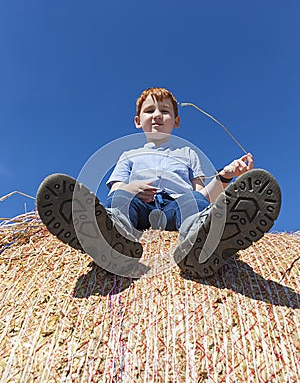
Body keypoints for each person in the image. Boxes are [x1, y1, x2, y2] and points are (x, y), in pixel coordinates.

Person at [37, 87, 281, 278]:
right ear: (137, 120)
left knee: (195, 203)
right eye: (150, 110)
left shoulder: (188, 154)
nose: (157, 115)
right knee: (120, 199)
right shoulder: (129, 155)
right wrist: (131, 188)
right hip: (139, 207)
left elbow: (202, 195)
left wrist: (225, 175)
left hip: (177, 207)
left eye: (165, 111)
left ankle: (198, 240)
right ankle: (114, 237)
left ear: (176, 121)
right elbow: (116, 187)